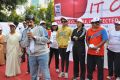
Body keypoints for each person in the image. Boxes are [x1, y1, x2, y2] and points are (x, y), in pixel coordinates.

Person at [20, 15, 51, 80]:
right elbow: (22, 44)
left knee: (46, 75)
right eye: (27, 22)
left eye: (30, 22)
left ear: (34, 21)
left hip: (43, 54)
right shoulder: (24, 31)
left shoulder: (41, 28)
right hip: (31, 55)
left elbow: (47, 40)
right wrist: (28, 39)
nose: (29, 24)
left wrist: (34, 37)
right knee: (33, 75)